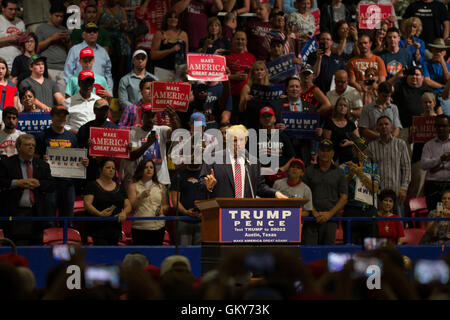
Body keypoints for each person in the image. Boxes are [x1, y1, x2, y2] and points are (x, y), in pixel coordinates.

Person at [199, 124, 287, 199]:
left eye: (241, 140)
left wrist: (275, 193)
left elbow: (259, 187)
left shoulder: (253, 162)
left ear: (246, 140)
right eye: (234, 140)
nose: (238, 144)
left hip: (244, 213)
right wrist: (208, 186)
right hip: (221, 211)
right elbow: (201, 182)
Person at [35, 105, 89, 225]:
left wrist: (84, 162)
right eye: (58, 115)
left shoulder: (72, 138)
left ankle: (67, 243)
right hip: (50, 184)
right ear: (52, 117)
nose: (61, 118)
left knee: (68, 221)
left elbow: (79, 158)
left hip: (68, 184)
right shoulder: (42, 135)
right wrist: (41, 161)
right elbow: (35, 157)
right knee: (49, 220)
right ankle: (50, 242)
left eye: (63, 115)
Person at [0, 134, 54, 245]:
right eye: (27, 145)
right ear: (18, 147)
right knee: (15, 249)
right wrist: (17, 183)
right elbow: (1, 182)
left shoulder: (43, 165)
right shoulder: (6, 163)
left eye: (33, 145)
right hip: (15, 214)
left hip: (37, 214)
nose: (31, 147)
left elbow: (51, 185)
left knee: (36, 250)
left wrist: (40, 183)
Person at [121, 102, 180, 190]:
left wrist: (172, 117)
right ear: (142, 117)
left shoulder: (161, 130)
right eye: (147, 115)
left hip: (161, 180)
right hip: (141, 182)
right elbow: (132, 156)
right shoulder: (134, 132)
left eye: (153, 115)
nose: (150, 118)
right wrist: (148, 143)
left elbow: (176, 134)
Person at [301, 139, 348, 245]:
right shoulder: (309, 170)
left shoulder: (340, 173)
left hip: (331, 220)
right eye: (322, 150)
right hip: (311, 219)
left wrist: (329, 214)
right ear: (318, 151)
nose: (325, 153)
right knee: (309, 254)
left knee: (327, 255)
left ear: (333, 153)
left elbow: (344, 197)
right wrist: (314, 212)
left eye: (328, 150)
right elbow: (303, 194)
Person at [339, 137, 381, 245]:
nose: (362, 153)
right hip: (352, 210)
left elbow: (375, 189)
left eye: (364, 150)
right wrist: (351, 175)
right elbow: (340, 188)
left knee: (371, 248)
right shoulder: (344, 166)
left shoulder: (373, 166)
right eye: (358, 150)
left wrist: (360, 174)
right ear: (353, 150)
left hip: (369, 210)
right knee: (350, 246)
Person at [368, 116, 411, 215]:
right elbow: (368, 171)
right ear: (377, 128)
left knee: (398, 227)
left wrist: (404, 188)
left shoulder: (401, 144)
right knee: (379, 228)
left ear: (392, 127)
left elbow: (407, 168)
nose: (384, 126)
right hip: (378, 195)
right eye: (380, 124)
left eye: (386, 124)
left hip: (396, 194)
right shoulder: (371, 146)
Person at [84, 158, 130, 245]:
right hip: (97, 229)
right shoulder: (92, 185)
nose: (111, 170)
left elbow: (128, 205)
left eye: (113, 168)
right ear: (100, 169)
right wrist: (99, 214)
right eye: (108, 167)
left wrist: (124, 213)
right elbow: (87, 204)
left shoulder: (120, 187)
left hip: (115, 228)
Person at [77, 99, 119, 184]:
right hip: (91, 169)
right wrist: (86, 145)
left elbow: (120, 149)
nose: (104, 112)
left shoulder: (115, 128)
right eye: (101, 109)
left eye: (106, 109)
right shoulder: (85, 128)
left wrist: (126, 147)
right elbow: (78, 150)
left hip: (109, 169)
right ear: (95, 110)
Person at [127, 158, 169, 245]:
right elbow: (131, 207)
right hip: (141, 227)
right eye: (146, 167)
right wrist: (141, 196)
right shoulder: (133, 186)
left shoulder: (160, 186)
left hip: (159, 227)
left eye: (151, 167)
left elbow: (166, 205)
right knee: (140, 257)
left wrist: (162, 209)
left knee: (156, 256)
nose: (149, 169)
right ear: (141, 170)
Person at [390, 66, 434, 145]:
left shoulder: (428, 90)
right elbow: (383, 89)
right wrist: (396, 77)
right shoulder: (400, 87)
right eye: (411, 74)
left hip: (423, 131)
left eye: (417, 74)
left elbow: (438, 110)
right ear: (407, 76)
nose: (414, 76)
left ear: (423, 77)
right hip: (403, 130)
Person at [410, 92, 443, 198]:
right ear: (422, 104)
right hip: (419, 158)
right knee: (417, 187)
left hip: (436, 158)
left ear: (434, 103)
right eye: (425, 102)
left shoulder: (441, 120)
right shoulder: (417, 120)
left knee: (435, 188)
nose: (428, 105)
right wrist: (413, 132)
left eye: (430, 102)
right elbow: (410, 140)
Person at [64, 22, 113, 92]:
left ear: (97, 34)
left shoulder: (103, 52)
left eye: (94, 31)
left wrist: (109, 92)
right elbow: (68, 73)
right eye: (89, 31)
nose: (92, 33)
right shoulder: (75, 50)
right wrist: (73, 90)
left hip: (99, 92)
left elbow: (108, 74)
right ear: (83, 35)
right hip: (79, 92)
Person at [170, 155, 206, 246]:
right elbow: (175, 200)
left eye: (197, 155)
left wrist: (205, 213)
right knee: (184, 253)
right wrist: (186, 212)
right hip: (183, 220)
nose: (194, 158)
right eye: (191, 156)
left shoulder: (207, 174)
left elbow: (212, 196)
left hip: (202, 220)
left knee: (200, 255)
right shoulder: (178, 175)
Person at [35, 3, 69, 93]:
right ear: (50, 15)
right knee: (49, 96)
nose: (59, 19)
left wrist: (67, 41)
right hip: (49, 66)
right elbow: (36, 48)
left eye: (61, 16)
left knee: (62, 99)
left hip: (63, 67)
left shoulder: (64, 29)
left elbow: (69, 50)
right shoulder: (41, 28)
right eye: (57, 16)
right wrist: (52, 39)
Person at [257, 106, 295, 181]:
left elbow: (292, 157)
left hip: (280, 176)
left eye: (269, 116)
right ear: (260, 120)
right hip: (261, 176)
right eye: (264, 117)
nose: (267, 119)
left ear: (274, 119)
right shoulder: (256, 137)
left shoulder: (282, 136)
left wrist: (283, 169)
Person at [421, 114, 450, 211]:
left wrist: (436, 167)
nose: (441, 129)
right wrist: (440, 159)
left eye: (444, 126)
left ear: (449, 127)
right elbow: (424, 165)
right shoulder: (428, 145)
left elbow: (431, 167)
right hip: (433, 186)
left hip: (449, 184)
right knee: (434, 216)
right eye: (438, 126)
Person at [98, 0, 131, 82]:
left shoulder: (121, 10)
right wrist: (109, 25)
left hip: (121, 43)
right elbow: (95, 27)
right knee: (108, 69)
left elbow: (127, 27)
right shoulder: (100, 9)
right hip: (107, 42)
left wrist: (124, 26)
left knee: (121, 71)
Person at [150, 10, 188, 82]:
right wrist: (171, 50)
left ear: (178, 20)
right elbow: (153, 55)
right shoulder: (159, 34)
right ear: (166, 20)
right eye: (170, 17)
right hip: (162, 70)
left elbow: (187, 55)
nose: (173, 19)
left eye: (175, 18)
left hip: (180, 72)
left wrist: (187, 68)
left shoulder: (184, 34)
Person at [226, 30, 256, 120]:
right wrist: (233, 77)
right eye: (237, 39)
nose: (240, 41)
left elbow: (255, 77)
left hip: (246, 97)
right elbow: (218, 76)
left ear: (246, 42)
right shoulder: (226, 55)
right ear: (232, 40)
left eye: (243, 39)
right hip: (230, 97)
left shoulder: (251, 57)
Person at [322, 96, 359, 164]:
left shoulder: (351, 123)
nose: (342, 107)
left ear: (348, 109)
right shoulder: (329, 123)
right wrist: (329, 157)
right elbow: (326, 143)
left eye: (345, 106)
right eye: (340, 105)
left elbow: (359, 141)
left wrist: (349, 142)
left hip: (349, 159)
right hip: (334, 157)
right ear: (336, 107)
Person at [64, 70, 101, 135]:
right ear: (79, 83)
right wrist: (78, 134)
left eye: (90, 82)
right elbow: (63, 124)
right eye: (85, 82)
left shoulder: (99, 100)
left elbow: (105, 121)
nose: (88, 85)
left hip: (96, 138)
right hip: (76, 138)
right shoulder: (68, 102)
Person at [0, 0, 25, 70]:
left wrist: (23, 39)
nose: (13, 12)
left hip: (18, 63)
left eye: (15, 9)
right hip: (2, 64)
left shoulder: (20, 22)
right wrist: (10, 38)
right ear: (3, 8)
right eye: (10, 9)